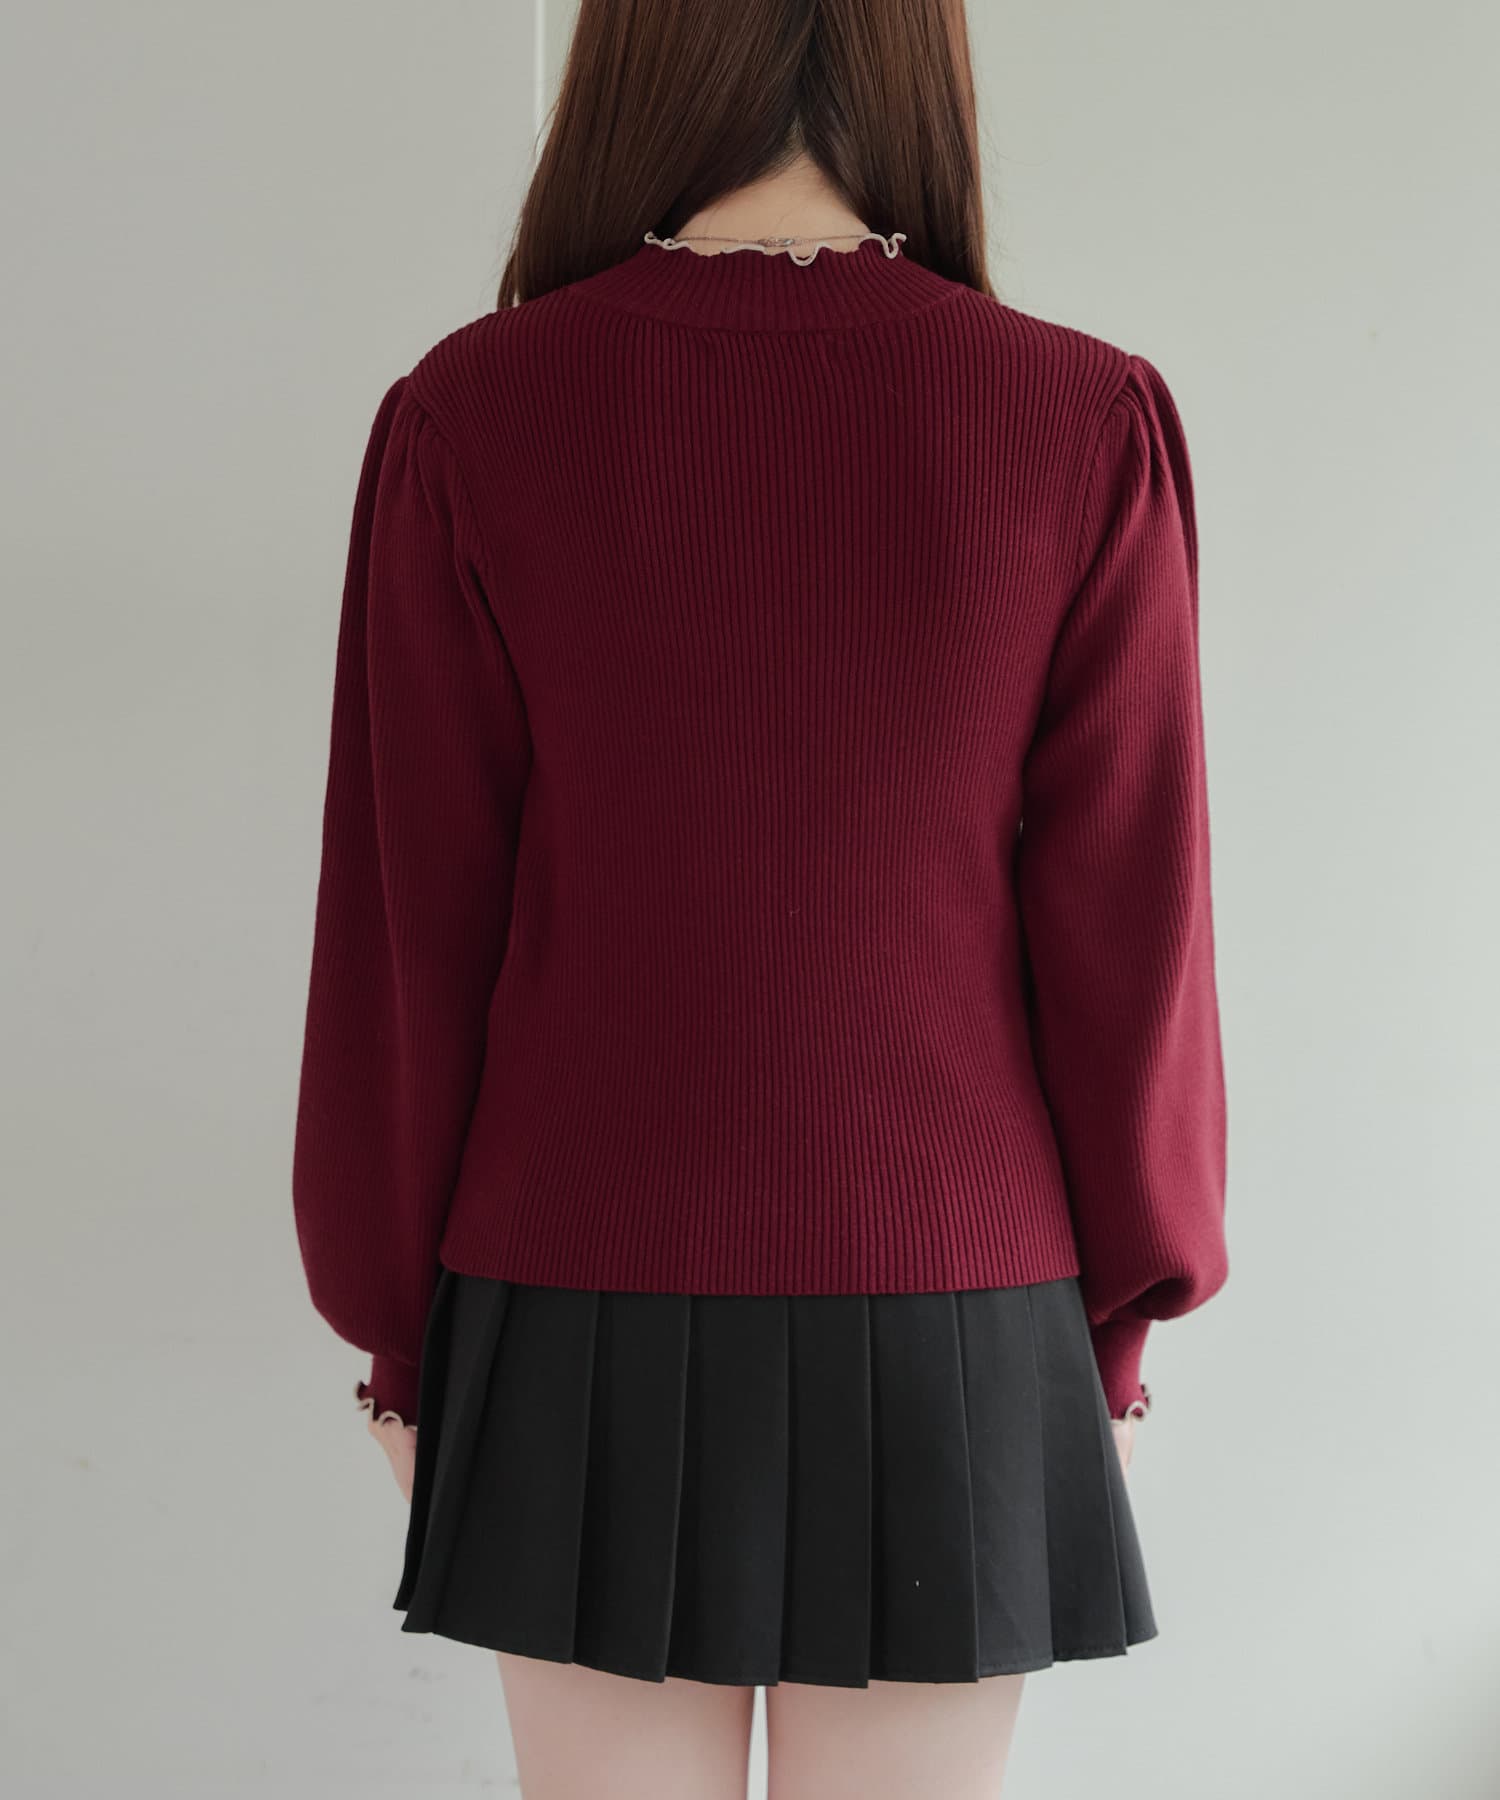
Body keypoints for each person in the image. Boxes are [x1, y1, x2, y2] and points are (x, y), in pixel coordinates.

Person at [291, 1, 1229, 1793]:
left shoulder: (472, 415)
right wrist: (1116, 1331)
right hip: (962, 1309)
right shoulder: (1079, 417)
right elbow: (1133, 945)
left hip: (570, 1301)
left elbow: (412, 938)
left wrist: (402, 1347)